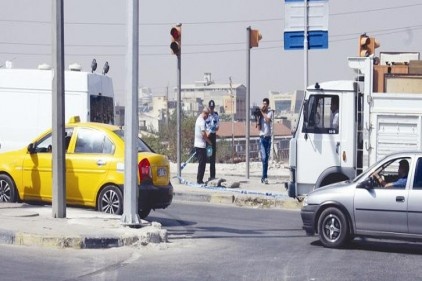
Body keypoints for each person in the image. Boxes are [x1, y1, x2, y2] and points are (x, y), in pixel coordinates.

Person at [194, 106, 212, 184]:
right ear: (205, 114)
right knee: (202, 164)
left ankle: (199, 179)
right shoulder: (202, 121)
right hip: (200, 146)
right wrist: (209, 141)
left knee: (201, 163)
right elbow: (203, 134)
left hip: (198, 145)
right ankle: (199, 180)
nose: (207, 117)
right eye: (207, 115)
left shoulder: (198, 118)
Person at [258, 98, 273, 184]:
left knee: (266, 159)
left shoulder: (270, 113)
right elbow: (259, 128)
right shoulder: (260, 115)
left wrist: (262, 112)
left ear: (267, 105)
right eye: (263, 103)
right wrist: (257, 119)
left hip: (268, 138)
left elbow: (267, 120)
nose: (264, 105)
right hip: (262, 138)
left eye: (265, 104)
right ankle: (264, 177)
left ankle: (264, 177)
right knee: (263, 157)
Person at [205, 100, 220, 180]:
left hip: (213, 136)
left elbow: (217, 127)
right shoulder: (206, 116)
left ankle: (212, 176)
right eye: (210, 107)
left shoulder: (216, 115)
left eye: (212, 107)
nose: (211, 109)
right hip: (207, 136)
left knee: (212, 157)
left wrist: (215, 127)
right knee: (207, 155)